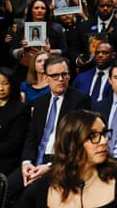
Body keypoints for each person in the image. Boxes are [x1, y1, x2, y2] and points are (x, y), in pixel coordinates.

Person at [7, 55, 91, 206]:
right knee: (8, 187)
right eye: (55, 75)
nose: (61, 79)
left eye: (64, 74)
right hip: (35, 161)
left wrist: (50, 166)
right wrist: (26, 163)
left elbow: (78, 140)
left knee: (31, 193)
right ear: (46, 78)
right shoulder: (40, 102)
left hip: (61, 161)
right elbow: (31, 136)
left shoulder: (80, 100)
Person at [18, 109, 117, 208]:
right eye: (93, 136)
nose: (104, 141)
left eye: (104, 133)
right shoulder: (42, 187)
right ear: (72, 143)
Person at [76, 0, 117, 71]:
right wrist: (78, 59)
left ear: (113, 6)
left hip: (113, 69)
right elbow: (75, 47)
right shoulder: (84, 26)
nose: (105, 8)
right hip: (88, 67)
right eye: (102, 6)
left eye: (108, 6)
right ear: (97, 7)